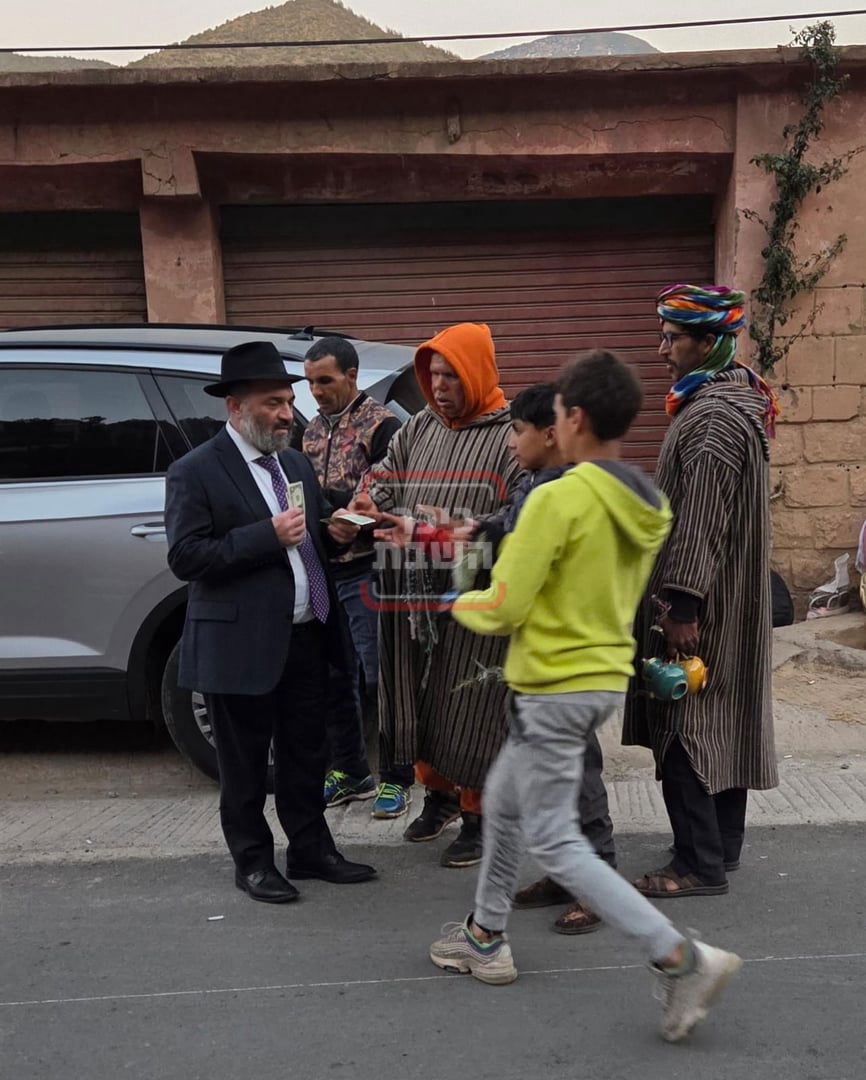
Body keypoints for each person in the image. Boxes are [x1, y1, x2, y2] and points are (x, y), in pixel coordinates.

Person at [428, 351, 743, 1043]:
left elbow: (506, 605)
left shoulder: (557, 499)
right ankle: (484, 935)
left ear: (572, 418)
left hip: (551, 683)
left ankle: (681, 958)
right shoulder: (645, 502)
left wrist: (456, 601)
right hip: (597, 680)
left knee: (555, 839)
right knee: (505, 800)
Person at [164, 341, 377, 903]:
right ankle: (253, 862)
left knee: (307, 754)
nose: (287, 414)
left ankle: (311, 850)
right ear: (235, 406)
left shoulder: (294, 462)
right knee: (244, 764)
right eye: (273, 403)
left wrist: (338, 528)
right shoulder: (195, 471)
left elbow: (312, 527)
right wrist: (266, 536)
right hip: (240, 643)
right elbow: (186, 556)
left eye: (288, 401)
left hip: (306, 633)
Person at [625, 284, 779, 898]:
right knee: (723, 720)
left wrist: (681, 604)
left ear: (708, 342)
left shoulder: (713, 416)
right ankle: (722, 847)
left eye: (672, 338)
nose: (661, 350)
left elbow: (701, 520)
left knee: (683, 723)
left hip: (702, 606)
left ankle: (696, 864)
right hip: (732, 599)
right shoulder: (734, 400)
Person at [351, 322, 521, 868]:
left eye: (452, 375)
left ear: (478, 372)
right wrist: (367, 503)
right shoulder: (420, 426)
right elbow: (385, 478)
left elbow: (516, 513)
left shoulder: (510, 434)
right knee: (422, 699)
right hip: (411, 591)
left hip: (476, 592)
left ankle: (480, 814)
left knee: (473, 703)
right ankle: (440, 795)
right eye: (434, 375)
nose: (441, 386)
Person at [303, 337, 401, 808]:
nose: (316, 391)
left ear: (352, 376)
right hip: (325, 570)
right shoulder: (310, 431)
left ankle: (397, 774)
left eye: (324, 381)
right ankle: (351, 771)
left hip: (369, 569)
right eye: (310, 383)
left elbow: (392, 495)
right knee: (335, 677)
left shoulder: (383, 426)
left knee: (380, 676)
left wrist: (345, 515)